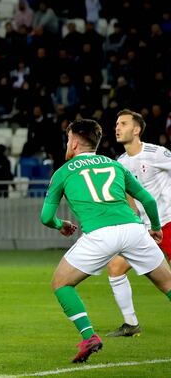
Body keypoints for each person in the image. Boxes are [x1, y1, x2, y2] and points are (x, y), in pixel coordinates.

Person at [40, 119, 171, 363]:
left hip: (100, 235)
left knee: (61, 283)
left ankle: (89, 336)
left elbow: (46, 217)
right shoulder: (115, 165)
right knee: (168, 285)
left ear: (76, 142)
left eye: (68, 138)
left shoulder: (63, 171)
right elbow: (149, 201)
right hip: (133, 229)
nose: (67, 143)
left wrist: (62, 225)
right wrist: (155, 227)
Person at [103, 110, 171, 337]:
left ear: (136, 129)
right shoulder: (120, 163)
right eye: (116, 124)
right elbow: (128, 196)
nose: (117, 128)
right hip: (143, 231)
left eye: (123, 123)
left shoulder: (157, 153)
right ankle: (131, 324)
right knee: (115, 268)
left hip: (168, 223)